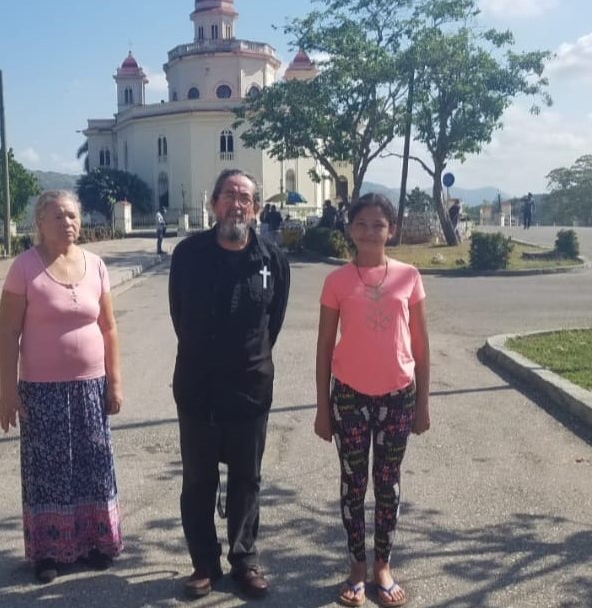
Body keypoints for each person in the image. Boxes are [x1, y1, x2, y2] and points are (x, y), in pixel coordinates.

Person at [169, 169, 291, 600]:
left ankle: (244, 559)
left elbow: (272, 322)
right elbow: (178, 315)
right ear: (213, 203)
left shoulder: (272, 258)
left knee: (246, 478)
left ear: (256, 208)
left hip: (250, 387)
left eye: (245, 197)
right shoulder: (187, 255)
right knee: (199, 480)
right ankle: (204, 564)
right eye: (228, 195)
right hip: (198, 387)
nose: (236, 204)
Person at [0, 189, 125, 584]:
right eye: (57, 217)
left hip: (90, 387)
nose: (67, 223)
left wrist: (114, 383)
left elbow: (108, 327)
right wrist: (7, 391)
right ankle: (48, 551)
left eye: (71, 216)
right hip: (42, 390)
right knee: (48, 470)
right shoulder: (24, 268)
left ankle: (96, 542)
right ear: (39, 224)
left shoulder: (96, 264)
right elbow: (7, 332)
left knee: (93, 465)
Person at [314, 193, 431, 608]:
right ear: (350, 229)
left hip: (399, 397)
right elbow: (325, 345)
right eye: (361, 224)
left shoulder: (409, 276)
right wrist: (322, 408)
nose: (369, 231)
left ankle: (383, 564)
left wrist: (423, 403)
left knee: (388, 483)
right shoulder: (337, 282)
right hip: (348, 396)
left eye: (378, 224)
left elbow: (420, 343)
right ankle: (356, 568)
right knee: (353, 483)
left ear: (391, 230)